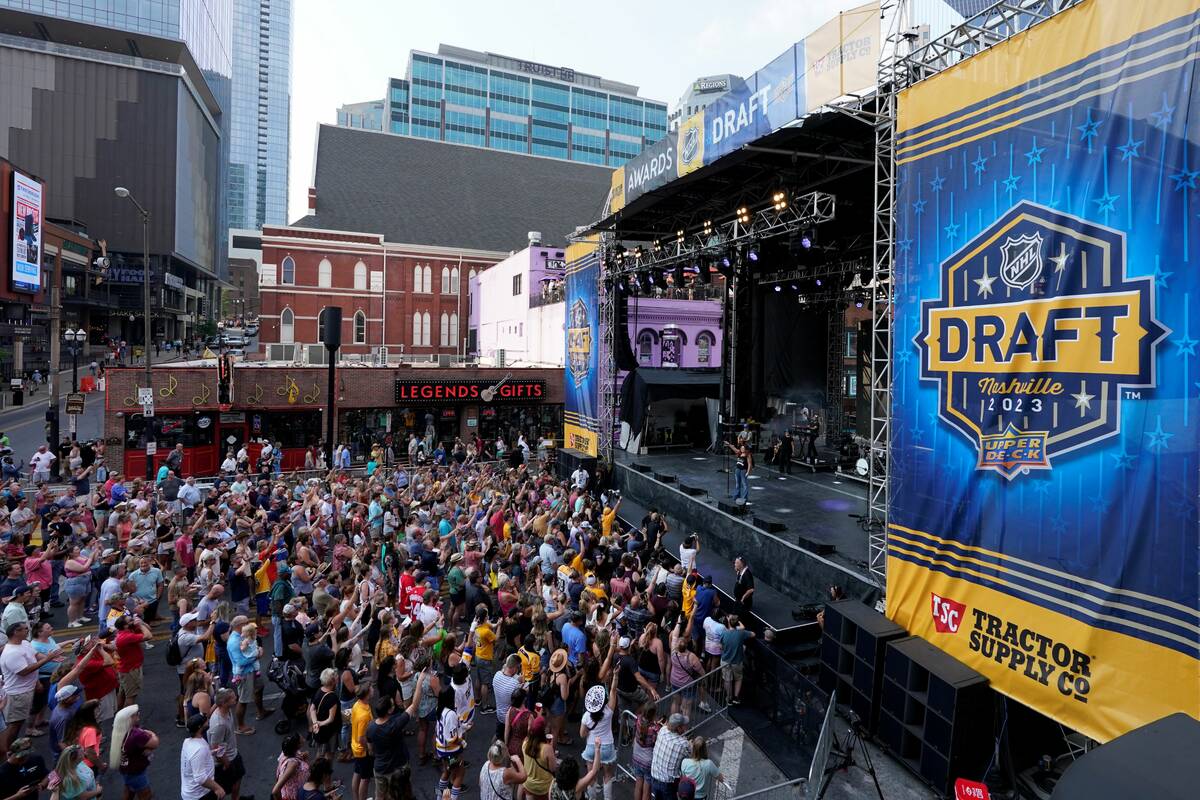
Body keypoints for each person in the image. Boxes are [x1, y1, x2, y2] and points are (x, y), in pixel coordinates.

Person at [1, 621, 64, 749]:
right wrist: (47, 659)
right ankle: (7, 750)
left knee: (20, 720)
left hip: (27, 689)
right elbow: (24, 671)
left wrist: (48, 658)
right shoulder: (12, 653)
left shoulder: (24, 643)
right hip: (18, 694)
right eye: (24, 629)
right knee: (15, 724)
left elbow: (35, 655)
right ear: (15, 633)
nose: (28, 630)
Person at [366, 668, 426, 800]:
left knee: (380, 796)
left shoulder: (370, 727)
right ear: (389, 710)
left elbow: (370, 750)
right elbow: (414, 705)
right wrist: (420, 681)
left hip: (380, 769)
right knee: (403, 794)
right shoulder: (395, 724)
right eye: (392, 705)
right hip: (398, 767)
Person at [578, 674, 620, 800]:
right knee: (607, 775)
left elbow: (582, 734)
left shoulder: (586, 716)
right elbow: (613, 690)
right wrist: (615, 675)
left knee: (591, 776)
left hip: (591, 747)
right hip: (607, 747)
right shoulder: (609, 711)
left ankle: (592, 798)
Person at [110, 704, 158, 800]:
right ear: (130, 718)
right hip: (136, 771)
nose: (139, 714)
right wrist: (152, 734)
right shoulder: (136, 734)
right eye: (137, 714)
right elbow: (155, 743)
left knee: (129, 791)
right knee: (146, 795)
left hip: (126, 769)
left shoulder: (120, 730)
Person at [207, 688, 245, 800]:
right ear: (224, 703)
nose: (236, 698)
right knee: (225, 789)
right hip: (228, 759)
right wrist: (227, 764)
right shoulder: (219, 725)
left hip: (233, 754)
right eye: (232, 698)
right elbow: (215, 749)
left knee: (238, 779)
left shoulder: (225, 710)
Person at [180, 713, 224, 800]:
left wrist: (211, 752)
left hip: (192, 793)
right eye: (205, 721)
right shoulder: (199, 749)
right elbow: (200, 778)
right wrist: (217, 788)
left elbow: (194, 759)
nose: (208, 722)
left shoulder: (188, 742)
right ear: (200, 727)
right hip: (199, 795)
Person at [649, 713, 691, 800]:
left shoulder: (663, 731)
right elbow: (691, 755)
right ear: (678, 728)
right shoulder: (683, 744)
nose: (685, 727)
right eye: (683, 725)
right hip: (667, 784)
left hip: (654, 777)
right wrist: (690, 744)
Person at [719, 616, 754, 705]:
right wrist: (740, 625)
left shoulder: (724, 633)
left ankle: (729, 698)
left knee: (727, 680)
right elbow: (753, 634)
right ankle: (736, 697)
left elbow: (720, 647)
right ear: (737, 623)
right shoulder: (741, 633)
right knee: (738, 678)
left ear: (729, 622)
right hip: (737, 662)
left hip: (725, 661)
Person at [631, 704, 663, 800]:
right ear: (653, 715)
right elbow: (655, 741)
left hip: (636, 756)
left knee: (638, 784)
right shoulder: (655, 729)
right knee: (646, 790)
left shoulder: (639, 720)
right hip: (648, 761)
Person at [271, 734, 310, 800]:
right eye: (302, 739)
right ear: (298, 745)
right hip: (291, 796)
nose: (304, 740)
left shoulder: (287, 752)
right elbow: (275, 791)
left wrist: (303, 757)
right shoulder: (293, 764)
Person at [723, 441, 752, 505]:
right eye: (741, 448)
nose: (742, 449)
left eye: (743, 448)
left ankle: (744, 498)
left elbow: (750, 464)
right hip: (737, 470)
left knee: (744, 485)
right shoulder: (739, 453)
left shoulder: (748, 455)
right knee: (737, 484)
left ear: (745, 449)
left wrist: (748, 472)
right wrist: (729, 444)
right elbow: (734, 448)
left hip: (743, 471)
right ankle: (737, 496)